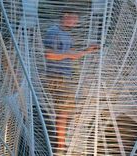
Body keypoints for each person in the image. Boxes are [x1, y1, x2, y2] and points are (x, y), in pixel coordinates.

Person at [43, 10, 98, 155]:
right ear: (66, 15)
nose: (76, 22)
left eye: (77, 19)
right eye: (74, 18)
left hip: (64, 76)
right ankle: (60, 148)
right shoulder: (53, 32)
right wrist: (68, 54)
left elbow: (73, 55)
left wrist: (88, 50)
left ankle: (61, 145)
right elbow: (48, 54)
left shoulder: (66, 34)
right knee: (63, 111)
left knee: (65, 111)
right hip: (57, 76)